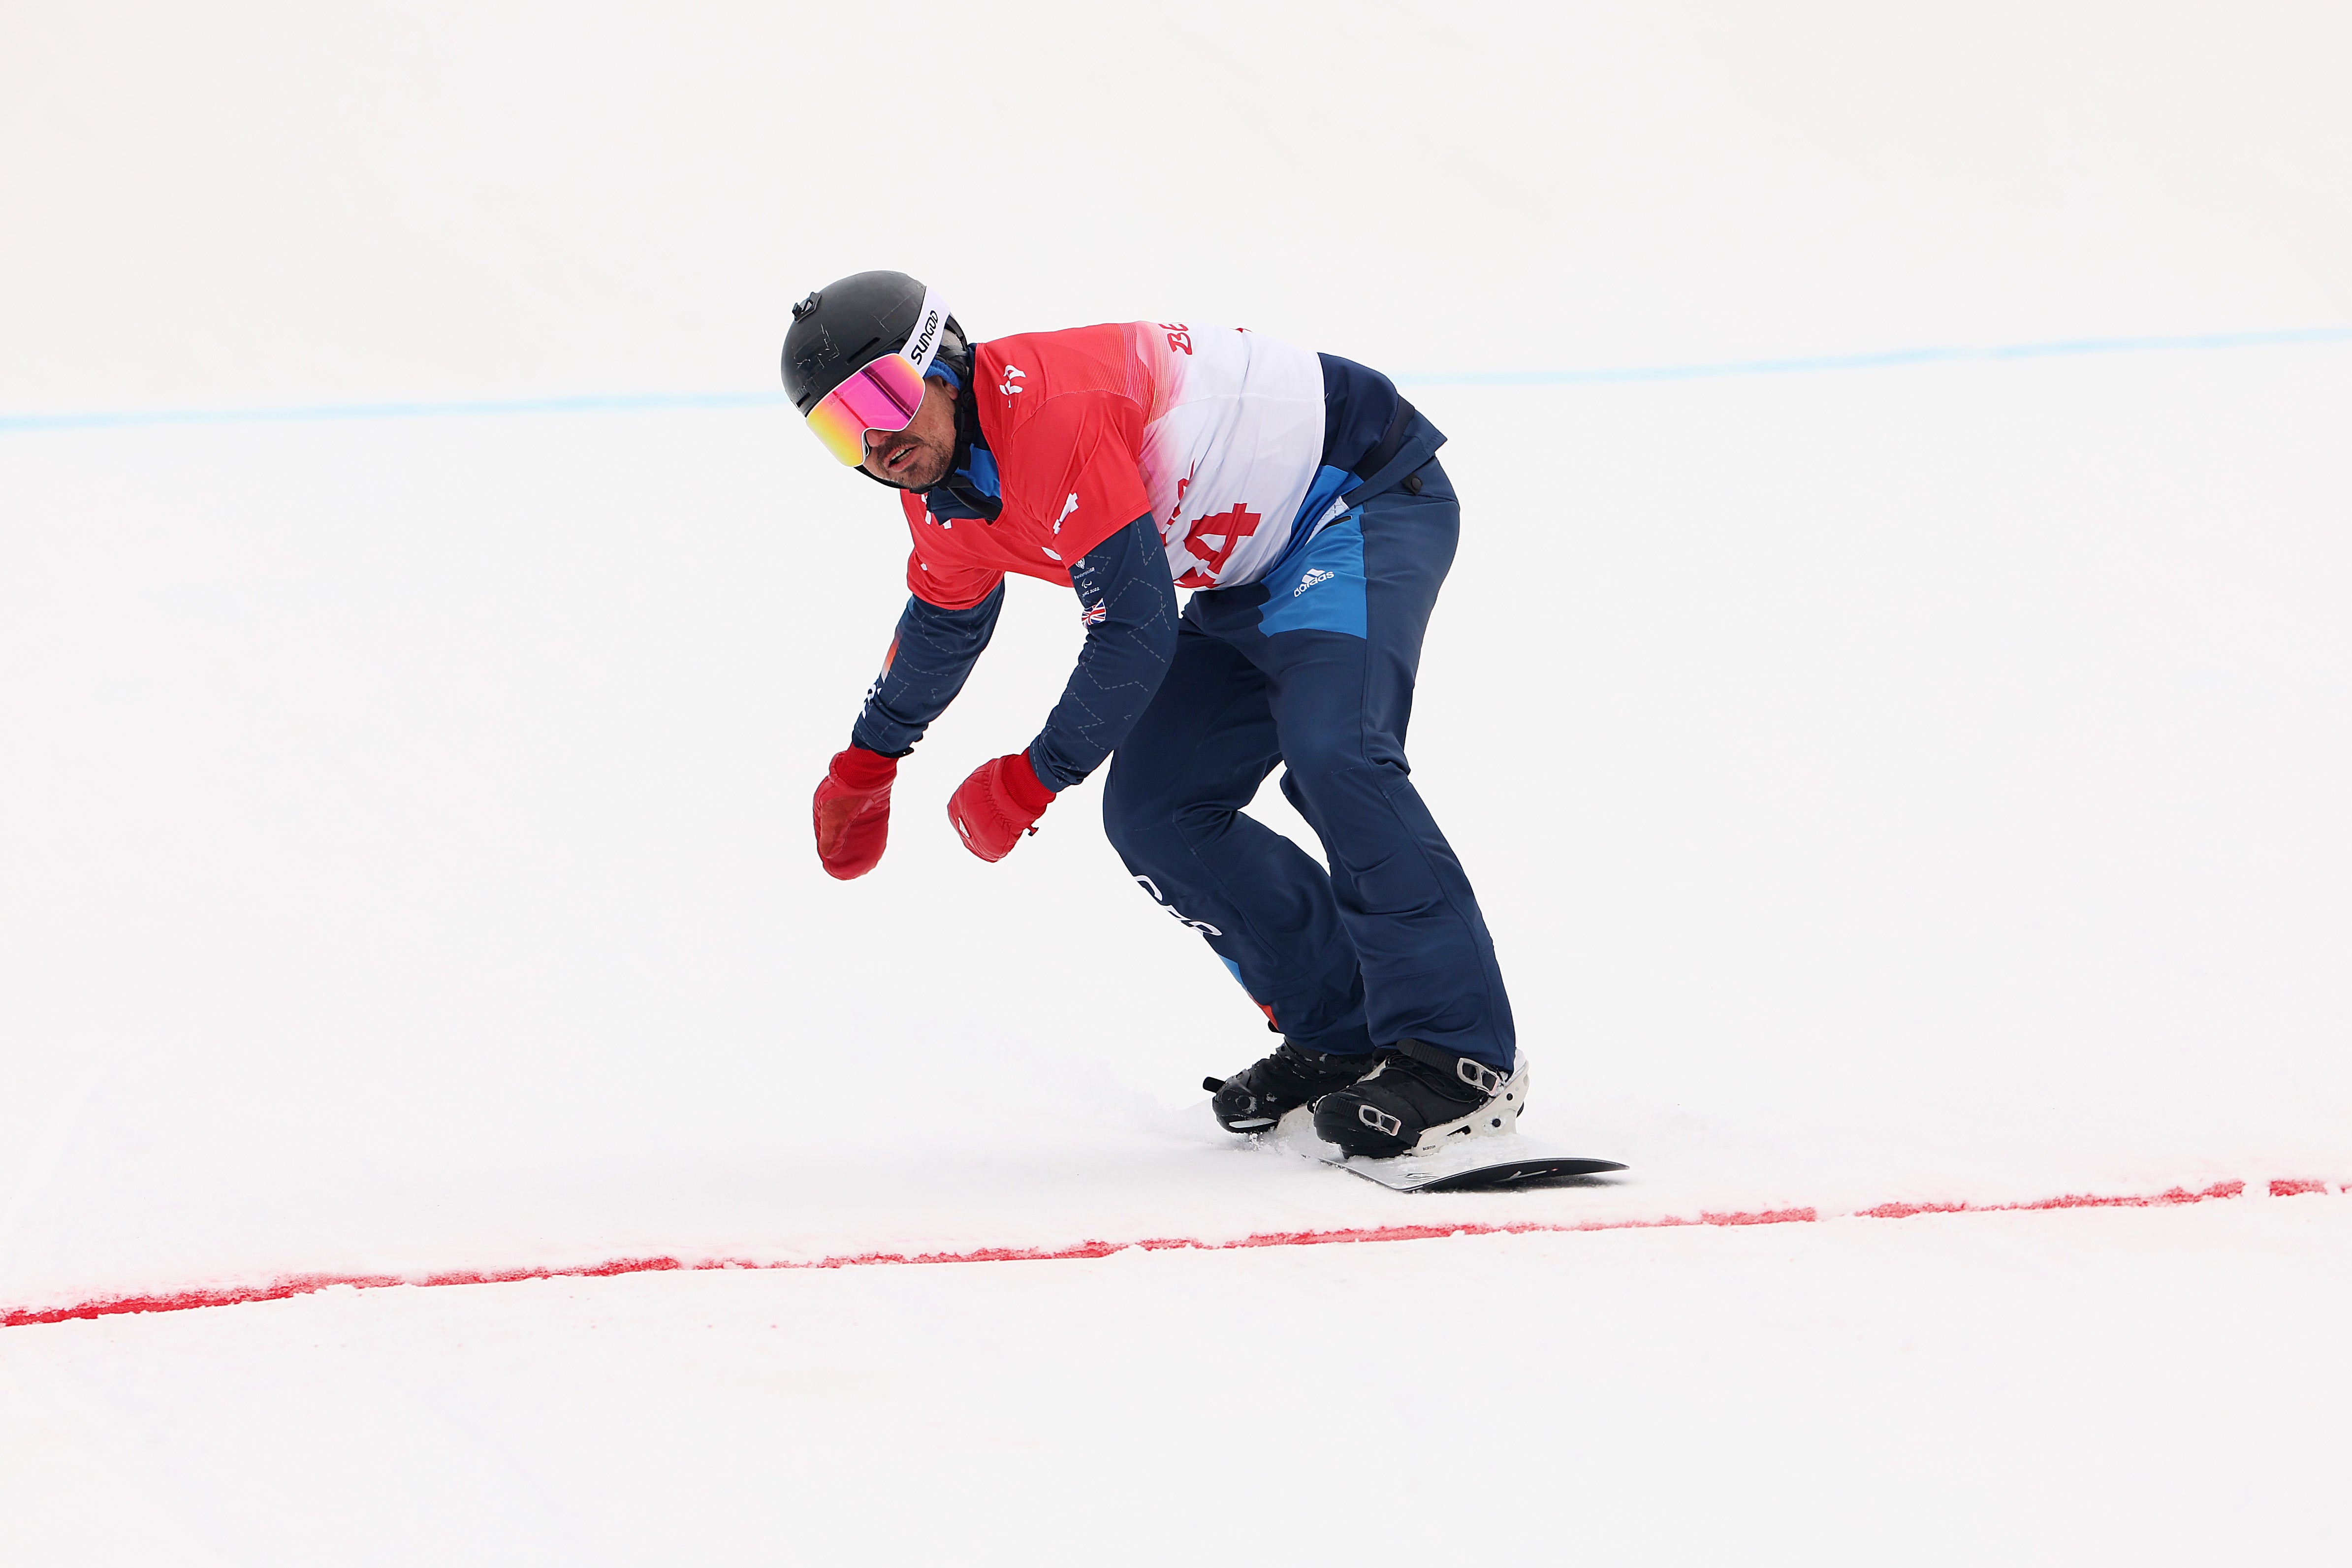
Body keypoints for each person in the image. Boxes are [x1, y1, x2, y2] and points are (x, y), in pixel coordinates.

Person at [783, 271, 1520, 1159]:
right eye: (837, 427)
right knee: (1155, 811)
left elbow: (1134, 632)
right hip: (1247, 560)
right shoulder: (940, 496)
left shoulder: (1050, 421)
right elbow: (945, 627)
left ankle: (1460, 1055)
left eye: (882, 396)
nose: (876, 440)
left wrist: (1032, 775)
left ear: (943, 363)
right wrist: (869, 761)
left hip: (1354, 498)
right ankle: (1344, 1029)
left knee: (1337, 754)